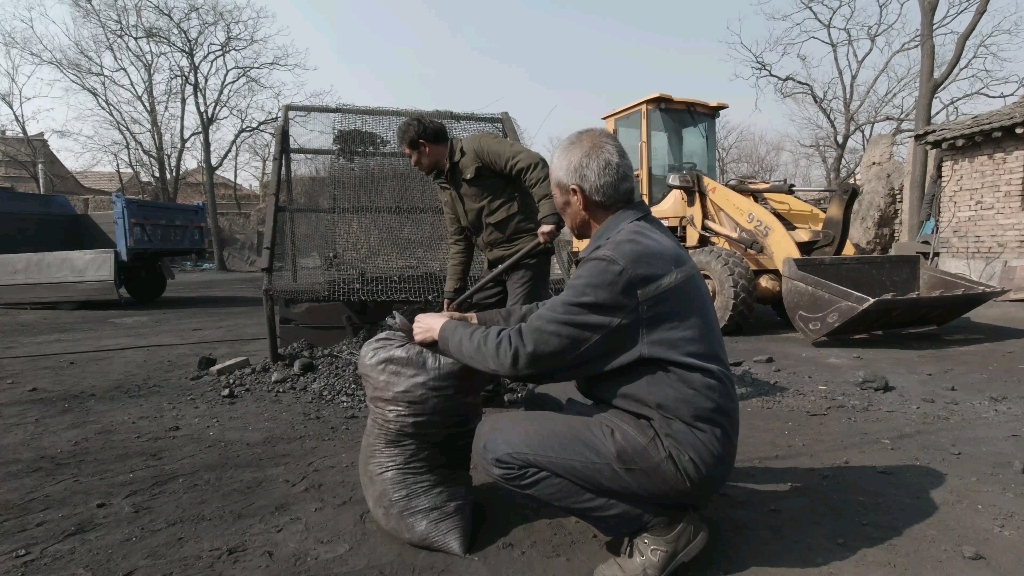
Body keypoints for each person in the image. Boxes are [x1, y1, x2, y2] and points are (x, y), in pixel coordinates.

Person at [412, 128, 738, 576]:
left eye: (556, 198)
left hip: (679, 448)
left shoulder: (618, 261)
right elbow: (555, 310)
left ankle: (659, 526)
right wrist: (474, 320)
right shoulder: (639, 238)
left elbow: (523, 355)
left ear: (578, 197)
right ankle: (656, 497)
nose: (558, 209)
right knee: (537, 406)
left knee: (495, 444)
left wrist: (446, 331)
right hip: (684, 427)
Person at [397, 115, 561, 312]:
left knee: (519, 324)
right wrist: (453, 290)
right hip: (496, 265)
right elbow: (459, 240)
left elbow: (533, 164)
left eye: (410, 156)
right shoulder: (445, 185)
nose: (412, 164)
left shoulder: (479, 147)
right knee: (470, 321)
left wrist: (549, 215)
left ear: (424, 146)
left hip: (527, 253)